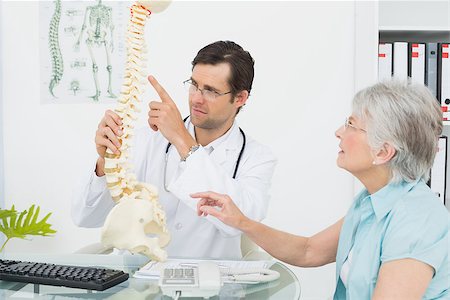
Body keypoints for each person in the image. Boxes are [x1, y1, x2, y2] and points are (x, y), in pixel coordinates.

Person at [194, 80, 449, 299]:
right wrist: (240, 221)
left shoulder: (416, 220)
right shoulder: (372, 201)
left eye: (351, 124)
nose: (339, 132)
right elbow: (309, 250)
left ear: (383, 152)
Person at [71, 40, 277, 259]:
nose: (196, 99)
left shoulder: (257, 158)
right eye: (194, 85)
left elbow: (240, 223)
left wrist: (181, 139)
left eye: (211, 91)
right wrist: (105, 164)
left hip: (209, 287)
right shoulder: (147, 139)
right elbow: (85, 217)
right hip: (138, 283)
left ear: (240, 98)